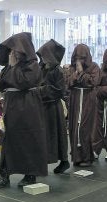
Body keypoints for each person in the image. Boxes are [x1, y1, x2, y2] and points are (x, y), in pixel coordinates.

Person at [0, 32, 47, 189]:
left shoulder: (33, 65)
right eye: (11, 51)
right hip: (12, 105)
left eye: (15, 50)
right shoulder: (10, 66)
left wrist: (13, 67)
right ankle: (5, 176)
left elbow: (23, 82)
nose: (12, 53)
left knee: (28, 140)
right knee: (8, 140)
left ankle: (30, 174)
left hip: (27, 106)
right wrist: (10, 66)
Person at [36, 39, 70, 174]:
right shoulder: (41, 68)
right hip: (42, 107)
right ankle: (43, 161)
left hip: (53, 108)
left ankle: (63, 161)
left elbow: (59, 90)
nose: (43, 58)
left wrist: (41, 90)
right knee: (43, 135)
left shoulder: (58, 71)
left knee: (56, 134)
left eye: (45, 55)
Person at [67, 44, 101, 167]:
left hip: (87, 99)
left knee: (85, 128)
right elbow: (68, 83)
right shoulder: (71, 68)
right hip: (75, 99)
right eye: (77, 58)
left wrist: (82, 73)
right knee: (74, 128)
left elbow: (94, 82)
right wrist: (76, 74)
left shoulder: (94, 67)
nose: (79, 61)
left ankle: (87, 157)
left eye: (82, 58)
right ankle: (77, 157)